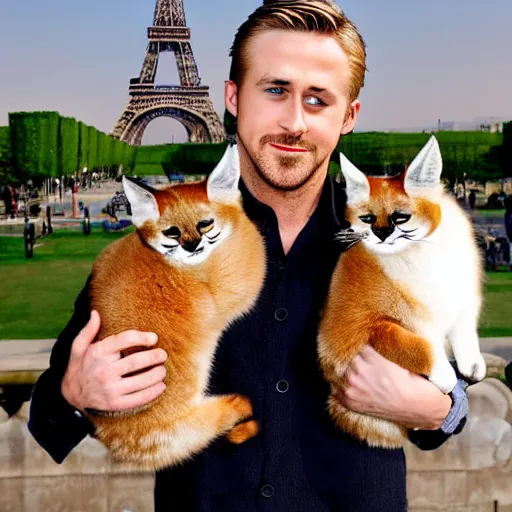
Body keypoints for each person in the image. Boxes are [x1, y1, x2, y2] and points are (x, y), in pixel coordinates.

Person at [28, 2, 469, 510]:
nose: (294, 122)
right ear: (234, 97)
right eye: (276, 90)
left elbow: (450, 395)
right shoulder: (148, 250)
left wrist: (436, 409)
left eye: (318, 100)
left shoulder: (402, 240)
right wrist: (75, 396)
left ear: (348, 116)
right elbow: (46, 419)